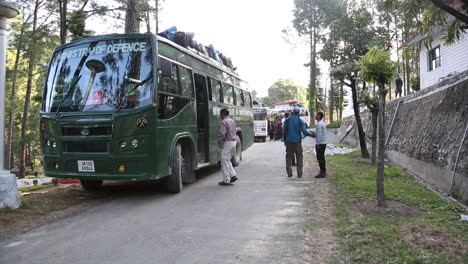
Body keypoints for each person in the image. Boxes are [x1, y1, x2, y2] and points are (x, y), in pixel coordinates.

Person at [282, 106, 314, 178]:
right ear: (299, 112)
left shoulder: (287, 120)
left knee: (289, 157)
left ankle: (289, 173)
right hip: (297, 142)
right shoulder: (300, 121)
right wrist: (312, 135)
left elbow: (284, 130)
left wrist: (284, 140)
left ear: (293, 112)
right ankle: (299, 174)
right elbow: (305, 132)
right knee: (299, 157)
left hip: (289, 141)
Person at [218, 108, 238, 186]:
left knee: (224, 161)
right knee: (228, 160)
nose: (220, 116)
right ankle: (233, 175)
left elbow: (222, 134)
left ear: (223, 114)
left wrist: (220, 143)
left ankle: (226, 180)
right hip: (234, 142)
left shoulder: (224, 122)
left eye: (220, 114)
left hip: (228, 142)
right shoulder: (232, 121)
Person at [314, 112, 327, 178]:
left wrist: (318, 144)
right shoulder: (322, 123)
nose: (315, 116)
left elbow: (319, 136)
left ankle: (322, 172)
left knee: (320, 158)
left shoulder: (319, 124)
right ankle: (323, 171)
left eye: (316, 115)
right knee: (322, 157)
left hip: (320, 143)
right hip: (323, 143)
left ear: (319, 116)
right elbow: (319, 134)